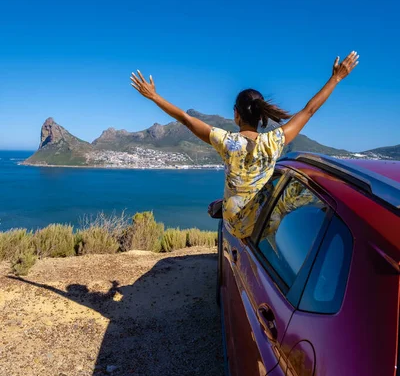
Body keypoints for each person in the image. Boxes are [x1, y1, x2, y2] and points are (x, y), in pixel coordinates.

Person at [131, 51, 359, 238]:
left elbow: (186, 119)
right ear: (261, 117)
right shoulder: (275, 141)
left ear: (236, 115)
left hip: (237, 228)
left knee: (229, 203)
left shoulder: (228, 142)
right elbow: (309, 110)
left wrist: (154, 96)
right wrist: (336, 78)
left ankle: (223, 205)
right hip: (266, 225)